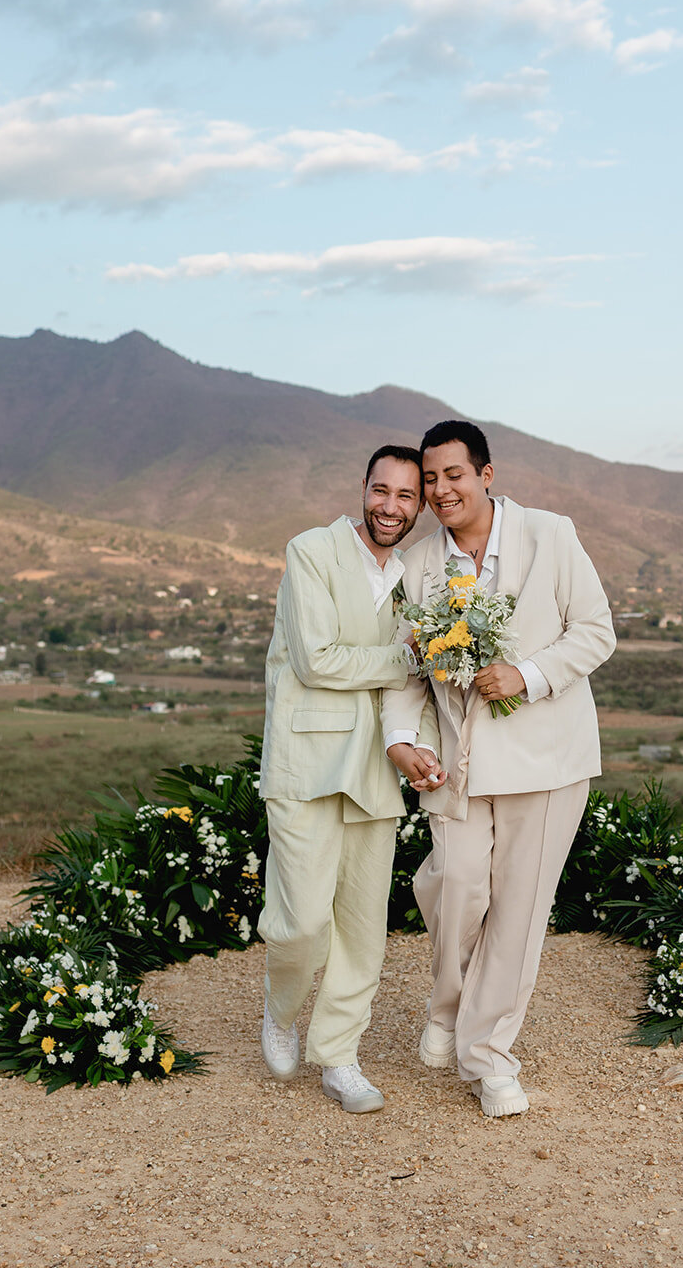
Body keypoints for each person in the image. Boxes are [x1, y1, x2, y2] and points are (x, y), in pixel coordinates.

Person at [383, 420, 615, 1118]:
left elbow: (596, 631)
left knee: (517, 913)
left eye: (452, 474)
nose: (439, 489)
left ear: (485, 475)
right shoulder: (418, 564)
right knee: (454, 886)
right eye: (429, 479)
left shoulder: (551, 534)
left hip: (548, 761)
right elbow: (406, 668)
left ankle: (488, 1059)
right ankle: (449, 1005)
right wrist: (401, 738)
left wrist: (529, 674)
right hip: (456, 763)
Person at [258, 445, 445, 1113]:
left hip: (374, 765)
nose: (390, 506)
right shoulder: (311, 550)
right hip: (304, 763)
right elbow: (315, 661)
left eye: (404, 496)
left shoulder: (415, 578)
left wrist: (415, 739)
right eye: (380, 490)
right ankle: (280, 1008)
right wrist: (408, 657)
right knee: (302, 922)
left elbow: (414, 685)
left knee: (363, 927)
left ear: (418, 506)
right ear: (362, 489)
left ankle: (338, 1056)